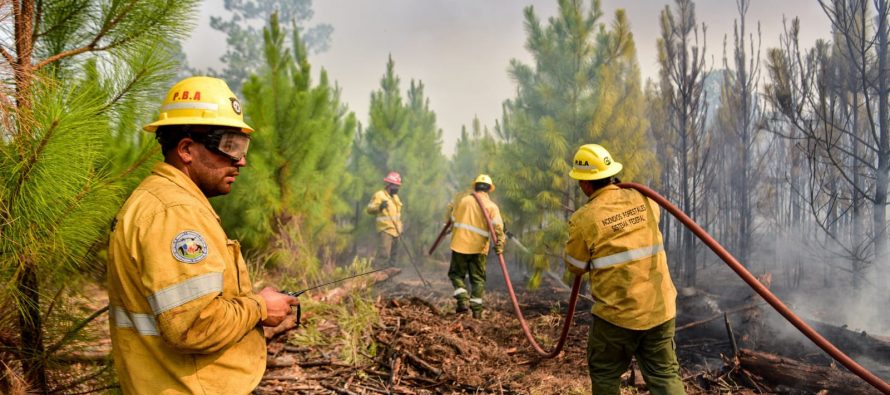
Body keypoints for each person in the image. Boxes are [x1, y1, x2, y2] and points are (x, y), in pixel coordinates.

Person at [107, 76, 299, 395]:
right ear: (186, 149)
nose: (241, 160)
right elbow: (193, 326)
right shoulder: (175, 212)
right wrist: (261, 308)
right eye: (229, 146)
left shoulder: (160, 199)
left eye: (242, 146)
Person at [563, 144, 685, 394]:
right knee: (664, 375)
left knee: (606, 372)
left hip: (616, 318)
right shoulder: (645, 198)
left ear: (585, 184)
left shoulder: (584, 218)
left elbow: (574, 267)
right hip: (659, 309)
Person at [448, 174, 505, 319]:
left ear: (475, 186)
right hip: (479, 249)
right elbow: (498, 227)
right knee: (478, 279)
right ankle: (477, 313)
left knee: (456, 274)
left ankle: (462, 300)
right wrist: (500, 243)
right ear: (489, 189)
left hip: (459, 245)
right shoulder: (492, 206)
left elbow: (452, 219)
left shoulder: (463, 201)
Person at [366, 171, 403, 266]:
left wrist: (400, 228)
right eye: (396, 186)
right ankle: (379, 277)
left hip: (396, 231)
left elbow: (397, 215)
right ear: (389, 185)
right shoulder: (379, 195)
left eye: (398, 186)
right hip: (385, 231)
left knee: (393, 257)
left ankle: (389, 279)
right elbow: (369, 209)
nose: (397, 188)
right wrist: (380, 207)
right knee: (383, 255)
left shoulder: (396, 198)